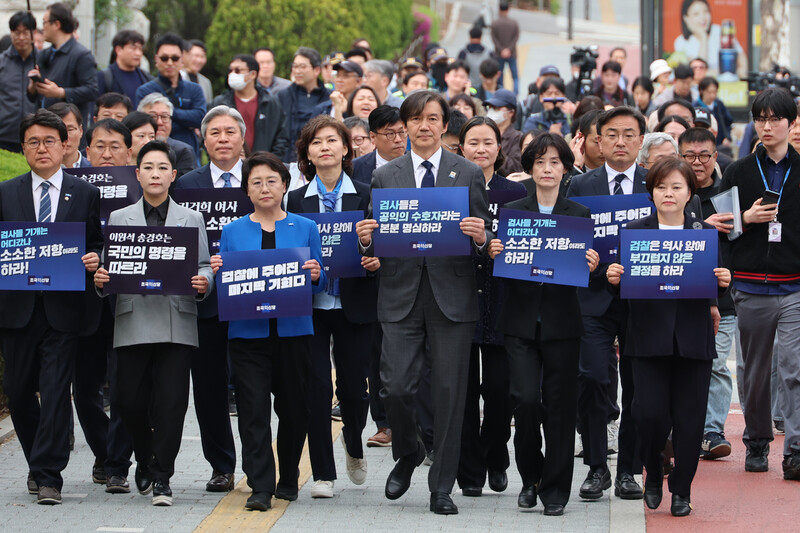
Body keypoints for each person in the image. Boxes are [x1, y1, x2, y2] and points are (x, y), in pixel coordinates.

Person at [355, 90, 492, 515]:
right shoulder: (386, 176)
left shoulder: (467, 173)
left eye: (433, 118)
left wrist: (481, 238)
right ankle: (410, 450)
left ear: (444, 124)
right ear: (406, 127)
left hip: (452, 296)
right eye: (416, 119)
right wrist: (367, 240)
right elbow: (380, 238)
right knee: (395, 387)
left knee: (450, 394)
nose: (424, 125)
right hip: (400, 294)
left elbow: (482, 244)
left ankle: (441, 487)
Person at [607, 157, 730, 516]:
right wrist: (615, 279)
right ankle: (653, 472)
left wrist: (725, 282)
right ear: (651, 192)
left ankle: (682, 489)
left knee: (690, 419)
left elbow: (719, 283)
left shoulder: (703, 234)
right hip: (646, 338)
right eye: (661, 187)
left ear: (690, 192)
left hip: (693, 338)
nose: (669, 193)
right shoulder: (634, 231)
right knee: (648, 414)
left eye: (677, 187)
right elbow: (625, 288)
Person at [93, 140, 213, 506]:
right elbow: (110, 270)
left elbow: (206, 265)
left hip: (177, 321)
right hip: (133, 320)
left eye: (163, 167)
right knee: (128, 401)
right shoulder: (119, 218)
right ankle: (145, 459)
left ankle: (162, 476)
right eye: (149, 167)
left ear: (173, 175)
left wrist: (204, 282)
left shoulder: (191, 219)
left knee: (172, 404)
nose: (156, 173)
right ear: (138, 173)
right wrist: (101, 280)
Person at [490, 133, 600, 516]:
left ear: (565, 168)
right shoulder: (513, 213)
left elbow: (583, 268)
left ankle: (555, 490)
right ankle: (531, 476)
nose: (547, 169)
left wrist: (589, 263)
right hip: (520, 321)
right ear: (529, 168)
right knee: (524, 400)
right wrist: (495, 251)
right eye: (540, 162)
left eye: (554, 162)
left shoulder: (579, 215)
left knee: (560, 408)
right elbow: (503, 268)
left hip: (562, 324)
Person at [210, 151, 325, 511]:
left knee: (293, 409)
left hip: (294, 333)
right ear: (246, 189)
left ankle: (288, 475)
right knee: (253, 410)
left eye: (271, 180)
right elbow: (224, 283)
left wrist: (317, 274)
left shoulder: (306, 227)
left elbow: (321, 282)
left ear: (285, 185)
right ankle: (261, 484)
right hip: (247, 336)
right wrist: (217, 272)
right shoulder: (232, 231)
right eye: (256, 182)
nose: (264, 187)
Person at [0, 109, 103, 504]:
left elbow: (96, 241)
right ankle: (35, 461)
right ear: (23, 148)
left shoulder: (85, 192)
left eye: (49, 141)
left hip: (64, 309)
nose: (41, 148)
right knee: (18, 391)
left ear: (65, 146)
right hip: (17, 309)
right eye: (33, 142)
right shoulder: (7, 193)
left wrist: (95, 258)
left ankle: (49, 476)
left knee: (57, 390)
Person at [286, 115, 378, 498]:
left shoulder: (367, 193)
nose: (324, 147)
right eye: (316, 142)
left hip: (353, 303)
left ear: (346, 148)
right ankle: (323, 473)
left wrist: (371, 253)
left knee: (355, 391)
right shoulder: (293, 200)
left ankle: (354, 444)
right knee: (317, 388)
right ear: (307, 153)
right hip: (310, 305)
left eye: (332, 140)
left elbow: (382, 250)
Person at [718, 88, 800, 481]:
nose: (767, 126)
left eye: (775, 119)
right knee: (753, 371)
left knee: (794, 368)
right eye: (760, 119)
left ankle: (796, 450)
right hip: (750, 286)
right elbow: (720, 229)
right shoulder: (738, 171)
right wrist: (747, 219)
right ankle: (756, 441)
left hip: (794, 286)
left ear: (790, 122)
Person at [567, 106, 647, 503]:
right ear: (598, 140)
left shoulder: (656, 183)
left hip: (642, 301)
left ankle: (629, 470)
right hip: (592, 298)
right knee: (594, 377)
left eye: (628, 134)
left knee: (637, 388)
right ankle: (597, 466)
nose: (620, 141)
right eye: (611, 134)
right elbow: (569, 240)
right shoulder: (581, 186)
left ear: (641, 141)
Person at [173, 105, 254, 492]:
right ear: (203, 141)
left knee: (254, 386)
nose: (223, 139)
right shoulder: (186, 185)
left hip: (252, 296)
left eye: (230, 132)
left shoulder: (260, 178)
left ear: (243, 138)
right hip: (203, 301)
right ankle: (221, 465)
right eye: (215, 133)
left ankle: (258, 465)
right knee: (208, 390)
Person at [456, 116, 525, 500]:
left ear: (500, 148)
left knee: (501, 391)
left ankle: (496, 454)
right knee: (462, 393)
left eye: (488, 142)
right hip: (460, 298)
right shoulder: (450, 192)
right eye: (473, 142)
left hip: (503, 301)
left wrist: (495, 240)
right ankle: (470, 471)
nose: (480, 149)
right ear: (461, 148)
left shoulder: (515, 196)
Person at [678, 127, 736, 460]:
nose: (697, 162)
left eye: (704, 156)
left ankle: (712, 430)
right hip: (678, 297)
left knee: (715, 364)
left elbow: (738, 236)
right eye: (690, 155)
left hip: (722, 295)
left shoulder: (729, 191)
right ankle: (682, 428)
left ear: (716, 157)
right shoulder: (671, 192)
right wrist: (700, 225)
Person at [27, 3, 98, 136]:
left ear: (57, 24)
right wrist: (33, 87)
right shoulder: (44, 54)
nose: (42, 27)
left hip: (68, 131)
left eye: (44, 22)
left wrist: (60, 92)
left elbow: (92, 90)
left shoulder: (82, 55)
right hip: (44, 126)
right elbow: (36, 98)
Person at [135, 33, 206, 163]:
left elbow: (200, 118)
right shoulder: (145, 90)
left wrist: (168, 113)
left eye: (174, 58)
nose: (169, 62)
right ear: (156, 59)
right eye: (164, 58)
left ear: (182, 59)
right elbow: (143, 124)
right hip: (154, 156)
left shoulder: (194, 89)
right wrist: (187, 121)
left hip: (189, 155)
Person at [211, 54, 289, 160]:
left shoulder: (270, 103)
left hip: (263, 166)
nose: (232, 74)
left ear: (252, 74)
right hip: (228, 164)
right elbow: (208, 134)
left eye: (238, 70)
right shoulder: (220, 102)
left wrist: (271, 161)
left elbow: (282, 137)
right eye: (231, 70)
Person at [277, 47, 332, 163]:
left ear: (316, 70)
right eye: (295, 66)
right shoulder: (283, 96)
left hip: (320, 158)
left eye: (302, 67)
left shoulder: (329, 97)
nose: (297, 71)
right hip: (288, 161)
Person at [673, 0, 747, 78]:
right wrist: (703, 37)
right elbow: (698, 75)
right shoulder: (681, 42)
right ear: (686, 18)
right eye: (696, 14)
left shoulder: (721, 32)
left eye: (705, 11)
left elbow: (742, 64)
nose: (702, 17)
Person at [0, 11, 38, 152]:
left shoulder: (42, 62)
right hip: (4, 135)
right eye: (16, 32)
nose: (21, 38)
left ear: (33, 33)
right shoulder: (2, 62)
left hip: (36, 135)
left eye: (25, 32)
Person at [137, 92, 197, 178]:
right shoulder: (132, 149)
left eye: (164, 117)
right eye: (153, 117)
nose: (159, 122)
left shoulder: (183, 151)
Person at [96, 30, 151, 103]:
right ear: (118, 50)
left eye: (140, 49)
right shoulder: (105, 77)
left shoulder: (146, 78)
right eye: (133, 48)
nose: (138, 53)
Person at [485, 89, 523, 176]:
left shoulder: (517, 138)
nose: (491, 111)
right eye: (489, 108)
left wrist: (494, 153)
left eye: (497, 108)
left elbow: (516, 167)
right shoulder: (483, 134)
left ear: (511, 112)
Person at [47, 102, 91, 167]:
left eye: (70, 129)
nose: (65, 137)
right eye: (58, 130)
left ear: (81, 130)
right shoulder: (39, 171)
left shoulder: (95, 171)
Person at [695, 76, 733, 147]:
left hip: (720, 144)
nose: (712, 95)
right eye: (709, 92)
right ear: (701, 91)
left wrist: (727, 137)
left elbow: (728, 122)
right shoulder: (696, 107)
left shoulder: (719, 104)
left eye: (714, 92)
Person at [490, 2, 520, 94]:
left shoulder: (495, 23)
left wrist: (501, 49)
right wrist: (509, 49)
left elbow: (494, 38)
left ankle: (501, 92)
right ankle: (515, 92)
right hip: (512, 53)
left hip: (499, 54)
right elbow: (516, 37)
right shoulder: (514, 23)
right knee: (514, 76)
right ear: (508, 10)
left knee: (499, 74)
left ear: (499, 10)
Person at [457, 26, 493, 90]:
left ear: (470, 37)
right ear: (481, 37)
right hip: (485, 87)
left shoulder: (464, 53)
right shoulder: (489, 53)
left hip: (468, 87)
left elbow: (458, 68)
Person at [180, 39, 213, 105]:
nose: (199, 60)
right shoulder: (177, 77)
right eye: (196, 56)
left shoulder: (206, 82)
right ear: (184, 55)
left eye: (202, 56)